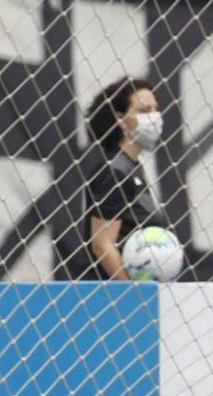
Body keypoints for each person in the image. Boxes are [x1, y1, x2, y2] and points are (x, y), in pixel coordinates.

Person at [83, 77, 170, 280]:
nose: (154, 117)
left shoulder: (131, 167)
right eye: (143, 111)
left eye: (155, 109)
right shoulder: (114, 170)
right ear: (121, 118)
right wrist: (131, 293)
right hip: (115, 296)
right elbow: (102, 244)